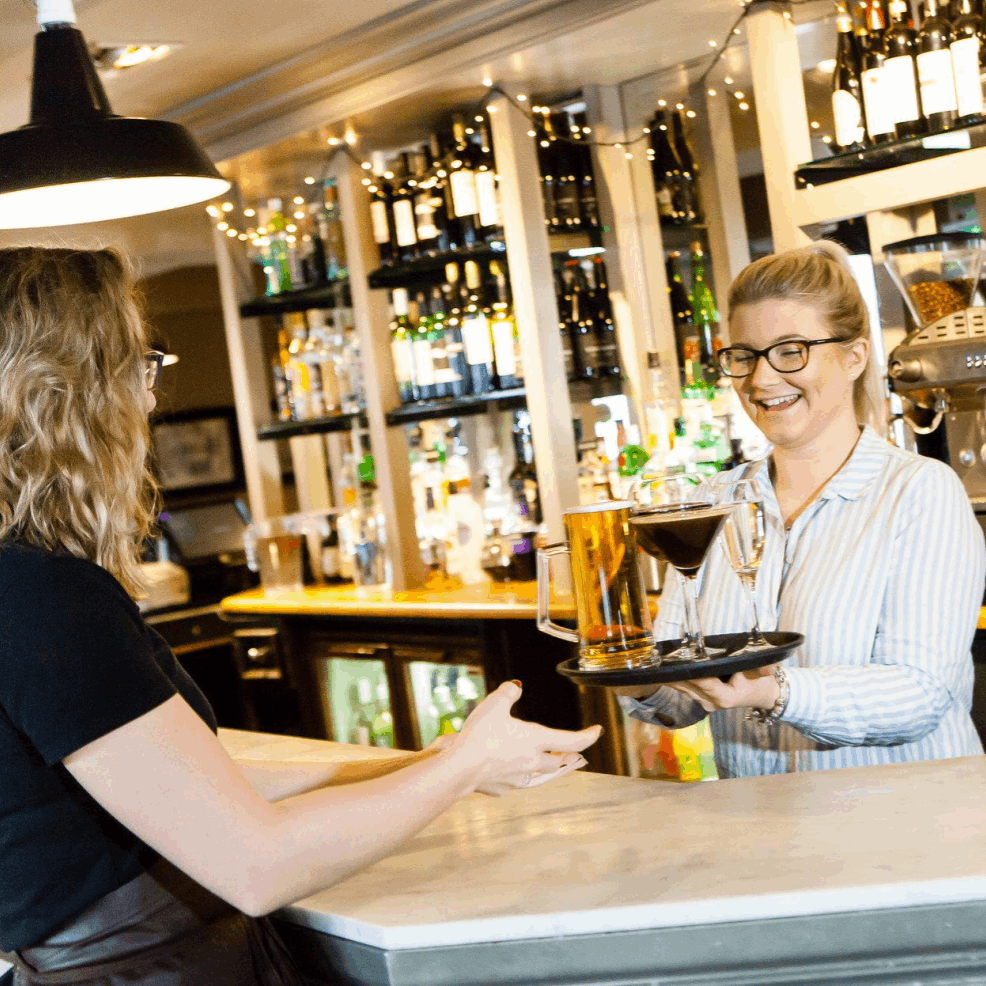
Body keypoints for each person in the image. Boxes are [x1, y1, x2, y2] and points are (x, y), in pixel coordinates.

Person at [0, 247, 601, 985]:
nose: (149, 401)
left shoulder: (21, 582)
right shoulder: (41, 594)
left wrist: (433, 765)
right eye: (137, 369)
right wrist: (464, 767)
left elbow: (205, 786)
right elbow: (258, 865)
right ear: (67, 392)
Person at [620, 240, 985, 778]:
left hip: (907, 819)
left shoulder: (919, 492)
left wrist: (775, 692)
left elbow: (919, 693)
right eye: (743, 356)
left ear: (854, 357)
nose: (761, 380)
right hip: (763, 822)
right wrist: (630, 668)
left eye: (791, 351)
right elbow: (679, 695)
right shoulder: (715, 501)